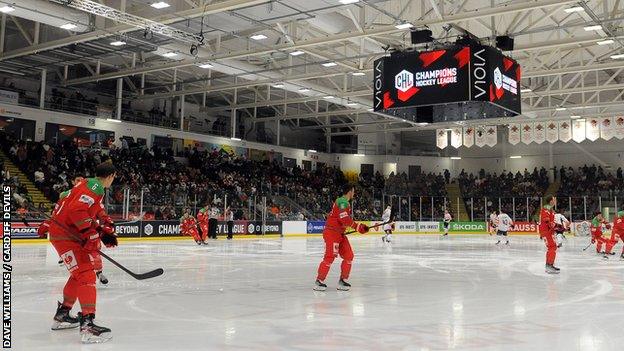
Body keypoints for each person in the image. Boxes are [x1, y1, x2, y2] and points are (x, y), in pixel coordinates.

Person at [48, 161, 117, 344]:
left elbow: (81, 210)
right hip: (67, 236)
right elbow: (76, 210)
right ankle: (88, 325)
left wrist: (101, 230)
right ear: (110, 176)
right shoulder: (96, 187)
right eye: (113, 178)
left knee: (79, 274)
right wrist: (89, 233)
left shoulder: (85, 184)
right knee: (86, 275)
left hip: (63, 234)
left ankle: (62, 314)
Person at [314, 184, 369, 291]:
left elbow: (343, 221)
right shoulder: (342, 201)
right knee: (330, 256)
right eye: (353, 191)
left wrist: (358, 227)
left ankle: (342, 281)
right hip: (332, 233)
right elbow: (344, 219)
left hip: (339, 234)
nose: (354, 193)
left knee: (349, 255)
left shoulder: (344, 202)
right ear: (350, 191)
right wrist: (358, 227)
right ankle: (319, 281)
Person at [540, 195, 559, 274]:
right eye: (554, 200)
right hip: (547, 232)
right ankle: (549, 266)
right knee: (552, 247)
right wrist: (552, 225)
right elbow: (546, 219)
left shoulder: (549, 209)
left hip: (549, 231)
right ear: (551, 201)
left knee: (552, 247)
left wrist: (556, 226)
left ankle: (549, 264)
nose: (555, 201)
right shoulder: (546, 209)